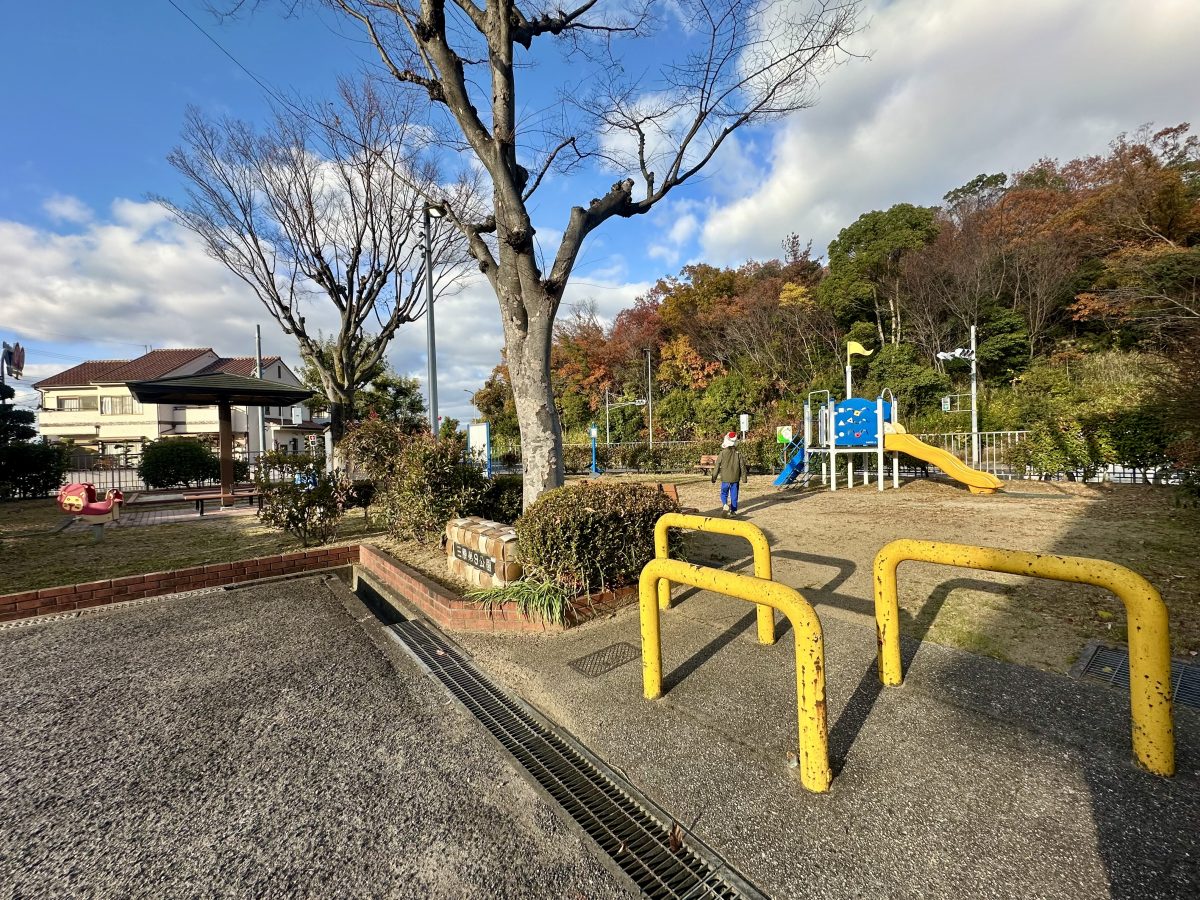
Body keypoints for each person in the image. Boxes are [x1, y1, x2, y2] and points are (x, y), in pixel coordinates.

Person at [711, 431, 748, 515]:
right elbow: (742, 466)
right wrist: (744, 478)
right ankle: (733, 511)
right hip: (735, 478)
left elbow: (717, 465)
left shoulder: (722, 453)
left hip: (725, 478)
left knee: (724, 493)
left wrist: (714, 477)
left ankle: (724, 505)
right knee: (734, 495)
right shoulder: (738, 454)